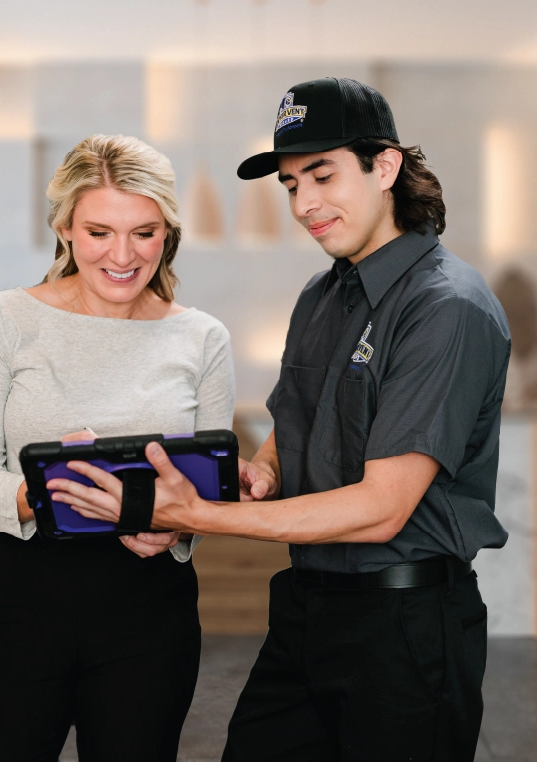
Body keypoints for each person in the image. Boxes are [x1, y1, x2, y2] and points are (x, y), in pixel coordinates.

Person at [61, 78, 509, 761]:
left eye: (322, 176)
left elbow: (381, 510)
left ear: (383, 166)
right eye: (292, 184)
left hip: (406, 623)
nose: (304, 204)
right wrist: (262, 471)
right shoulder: (321, 294)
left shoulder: (445, 307)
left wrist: (186, 513)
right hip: (306, 608)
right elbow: (294, 422)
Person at [0, 134, 235, 762]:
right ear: (65, 229)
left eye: (144, 232)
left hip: (150, 610)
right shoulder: (1, 320)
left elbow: (208, 493)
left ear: (168, 232)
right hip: (19, 600)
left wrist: (175, 530)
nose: (123, 255)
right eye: (100, 231)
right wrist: (50, 491)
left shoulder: (203, 338)